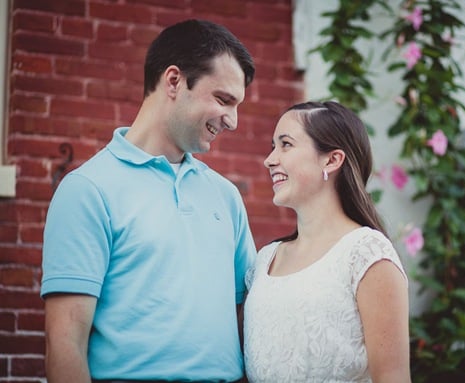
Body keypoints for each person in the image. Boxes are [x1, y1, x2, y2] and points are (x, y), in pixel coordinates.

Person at [41, 19, 256, 383]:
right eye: (223, 100)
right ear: (173, 81)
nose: (232, 121)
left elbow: (247, 318)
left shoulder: (226, 196)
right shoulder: (87, 189)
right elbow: (65, 344)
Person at [243, 101, 411, 383]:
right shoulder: (265, 260)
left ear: (331, 160)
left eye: (286, 145)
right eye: (273, 146)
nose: (270, 159)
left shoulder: (367, 254)